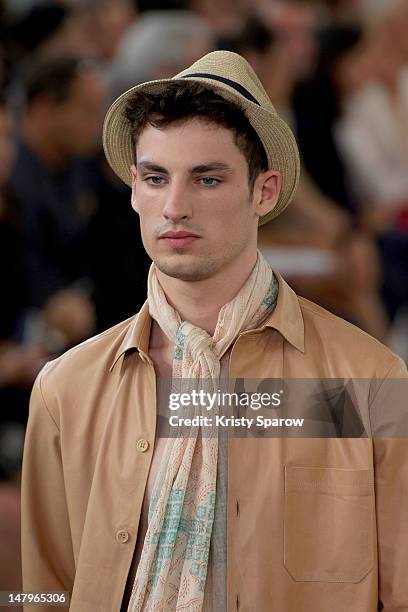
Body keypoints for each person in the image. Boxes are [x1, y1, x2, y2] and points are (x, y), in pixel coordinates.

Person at [21, 51, 408, 612]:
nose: (174, 207)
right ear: (134, 189)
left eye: (207, 179)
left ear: (264, 192)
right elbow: (44, 595)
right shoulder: (68, 390)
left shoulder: (367, 382)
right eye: (156, 178)